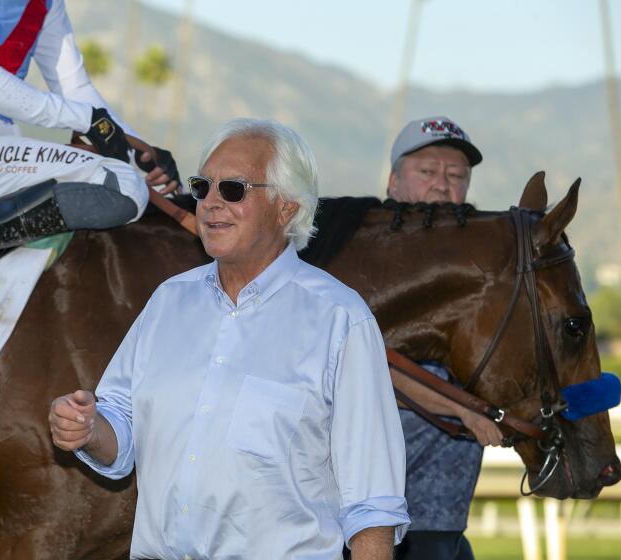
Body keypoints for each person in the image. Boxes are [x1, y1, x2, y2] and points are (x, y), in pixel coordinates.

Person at [49, 118, 410, 559]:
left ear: (286, 207)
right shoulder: (168, 302)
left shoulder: (339, 318)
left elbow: (372, 503)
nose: (211, 203)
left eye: (234, 190)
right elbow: (120, 428)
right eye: (203, 187)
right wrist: (87, 428)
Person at [0, 0, 179, 318]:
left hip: (0, 147)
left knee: (130, 180)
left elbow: (75, 88)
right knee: (123, 187)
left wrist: (140, 152)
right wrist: (88, 122)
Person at [386, 116, 504, 560]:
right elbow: (359, 365)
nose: (442, 185)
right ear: (394, 182)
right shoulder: (360, 260)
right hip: (357, 514)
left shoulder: (482, 269)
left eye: (456, 176)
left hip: (444, 518)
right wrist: (460, 409)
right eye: (428, 172)